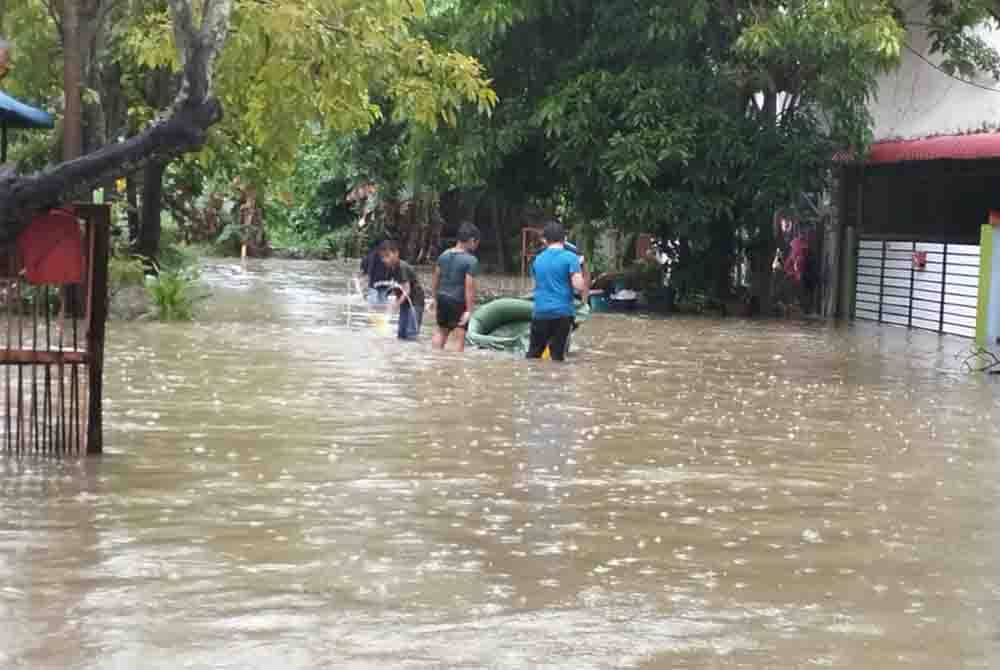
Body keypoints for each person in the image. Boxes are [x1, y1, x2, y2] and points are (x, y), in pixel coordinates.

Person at [527, 220, 587, 362]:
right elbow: (578, 286)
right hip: (562, 314)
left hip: (540, 313)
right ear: (564, 238)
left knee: (533, 355)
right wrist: (581, 269)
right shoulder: (571, 258)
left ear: (545, 240)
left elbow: (536, 285)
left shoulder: (537, 259)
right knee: (557, 358)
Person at [432, 222, 481, 351]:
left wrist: (435, 299)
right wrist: (469, 310)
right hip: (457, 301)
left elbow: (436, 279)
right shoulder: (471, 260)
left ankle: (434, 359)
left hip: (442, 298)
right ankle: (456, 367)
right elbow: (469, 287)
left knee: (441, 332)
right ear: (471, 240)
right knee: (459, 336)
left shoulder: (443, 255)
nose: (476, 246)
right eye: (476, 243)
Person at [378, 240, 426, 341]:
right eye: (382, 257)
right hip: (405, 301)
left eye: (387, 256)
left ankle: (411, 354)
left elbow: (406, 290)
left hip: (415, 302)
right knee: (401, 333)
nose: (385, 260)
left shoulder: (402, 267)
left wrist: (396, 305)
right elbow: (395, 286)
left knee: (411, 333)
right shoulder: (391, 268)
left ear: (396, 253)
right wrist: (391, 302)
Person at [360, 236, 393, 305]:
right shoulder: (373, 256)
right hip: (374, 284)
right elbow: (367, 272)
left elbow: (393, 272)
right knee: (374, 304)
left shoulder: (389, 257)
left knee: (382, 304)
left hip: (383, 285)